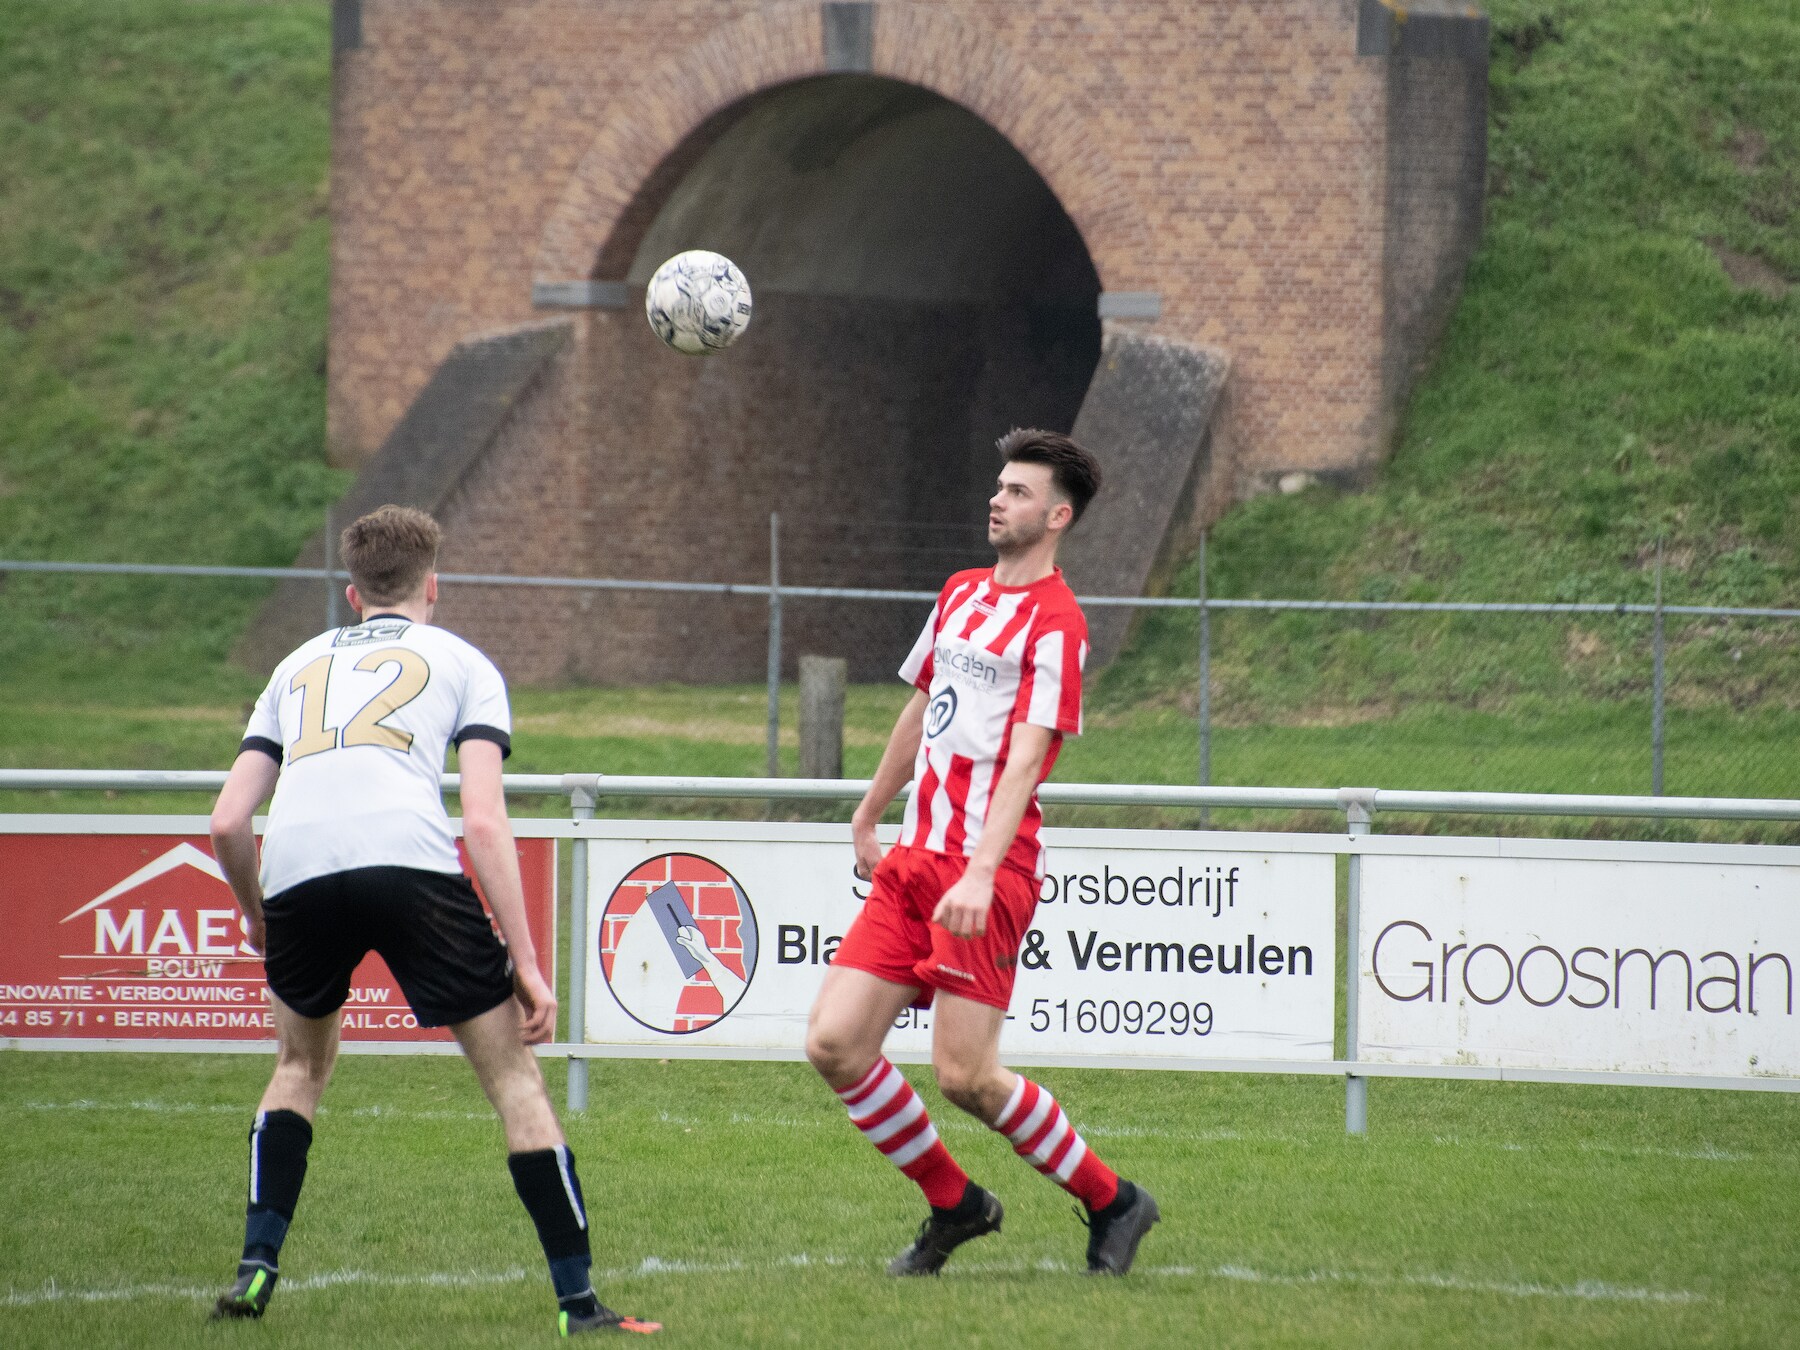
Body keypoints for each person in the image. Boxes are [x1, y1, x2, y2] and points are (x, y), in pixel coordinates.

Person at [207, 505, 659, 1336]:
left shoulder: (294, 665)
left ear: (352, 593)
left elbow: (229, 820)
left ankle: (256, 1267)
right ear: (433, 585)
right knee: (514, 1081)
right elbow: (483, 821)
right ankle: (578, 1302)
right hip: (409, 863)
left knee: (299, 1070)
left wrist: (257, 915)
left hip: (298, 869)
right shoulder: (463, 661)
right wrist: (525, 960)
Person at [805, 429, 1159, 1276]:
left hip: (984, 873)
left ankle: (1114, 1200)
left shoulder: (1060, 624)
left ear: (1059, 516)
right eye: (999, 486)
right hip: (913, 865)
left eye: (1020, 492)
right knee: (835, 1045)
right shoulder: (961, 591)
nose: (998, 500)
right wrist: (867, 813)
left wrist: (979, 870)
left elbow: (1029, 755)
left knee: (966, 1076)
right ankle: (956, 1204)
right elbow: (921, 708)